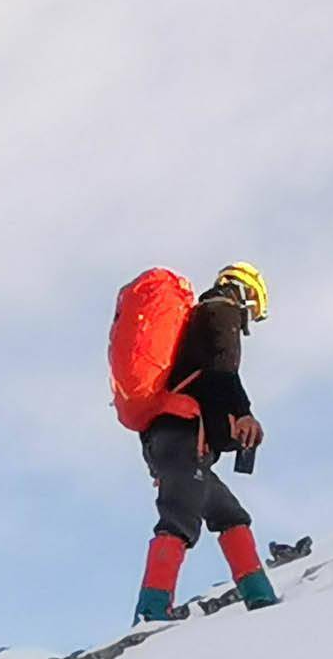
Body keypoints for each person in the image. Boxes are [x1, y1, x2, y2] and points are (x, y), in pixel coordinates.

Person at [117, 262, 279, 625]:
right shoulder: (220, 311)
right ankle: (152, 610)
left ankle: (261, 598)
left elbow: (205, 380)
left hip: (172, 439)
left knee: (229, 514)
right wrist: (244, 412)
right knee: (179, 517)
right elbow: (221, 372)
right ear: (247, 295)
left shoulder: (196, 319)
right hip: (182, 435)